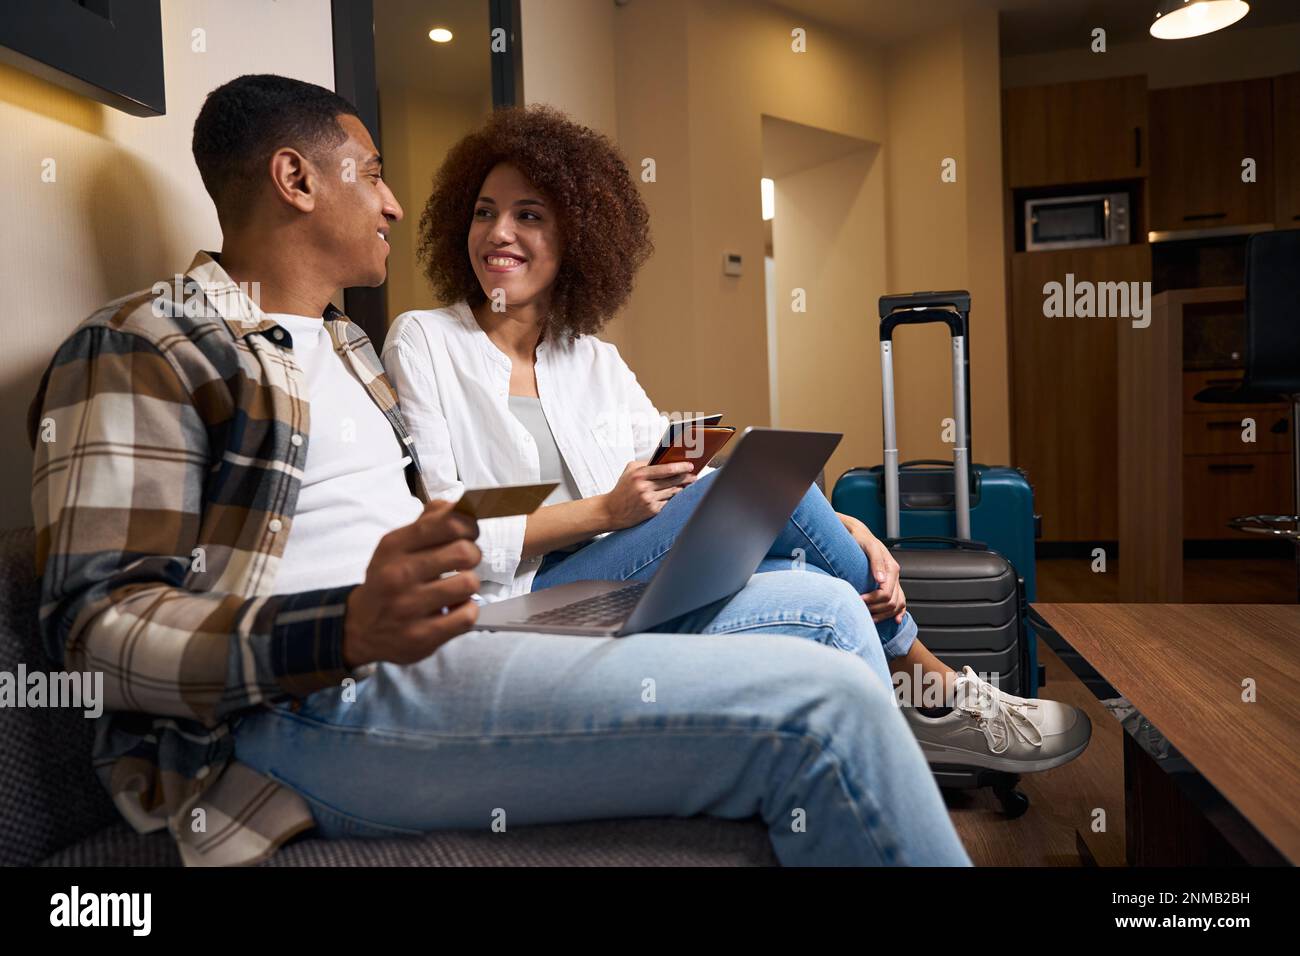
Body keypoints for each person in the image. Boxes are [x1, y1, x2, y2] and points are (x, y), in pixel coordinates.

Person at [28, 73, 969, 867]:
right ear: (296, 178)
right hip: (307, 709)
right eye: (378, 175)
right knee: (827, 705)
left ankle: (922, 732)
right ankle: (918, 707)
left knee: (818, 606)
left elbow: (614, 458)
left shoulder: (347, 350)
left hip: (470, 634)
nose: (396, 203)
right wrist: (347, 626)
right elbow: (94, 630)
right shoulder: (145, 345)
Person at [383, 105, 1091, 775]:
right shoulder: (425, 340)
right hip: (514, 603)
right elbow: (454, 526)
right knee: (752, 485)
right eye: (484, 213)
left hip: (615, 579)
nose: (498, 232)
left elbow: (675, 466)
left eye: (527, 215)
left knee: (807, 554)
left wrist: (842, 523)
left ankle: (894, 751)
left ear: (576, 240)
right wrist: (604, 513)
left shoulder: (591, 357)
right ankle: (939, 689)